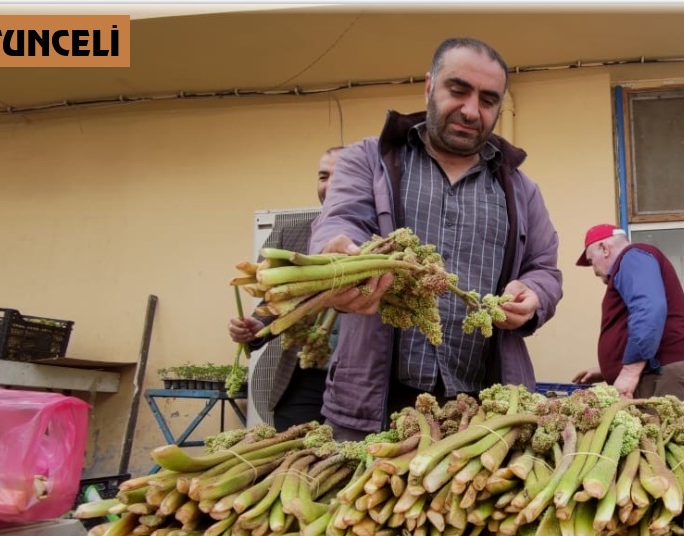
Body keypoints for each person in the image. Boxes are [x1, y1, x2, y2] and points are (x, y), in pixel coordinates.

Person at [309, 37, 563, 441]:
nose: (470, 110)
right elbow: (340, 221)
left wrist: (534, 294)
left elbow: (544, 268)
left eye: (488, 99)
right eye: (458, 90)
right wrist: (338, 255)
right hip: (374, 404)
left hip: (483, 411)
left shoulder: (520, 188)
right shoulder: (368, 159)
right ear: (429, 86)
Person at [227, 146, 343, 431]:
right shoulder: (288, 234)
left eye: (340, 176)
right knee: (294, 462)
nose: (328, 185)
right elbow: (270, 302)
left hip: (366, 379)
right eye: (323, 176)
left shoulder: (384, 238)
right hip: (303, 375)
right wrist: (255, 326)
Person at [571, 223, 684, 407]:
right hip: (658, 374)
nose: (593, 270)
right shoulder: (632, 264)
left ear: (604, 248)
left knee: (660, 435)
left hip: (662, 376)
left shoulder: (632, 256)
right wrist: (608, 370)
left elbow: (648, 309)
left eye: (590, 261)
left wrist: (629, 372)